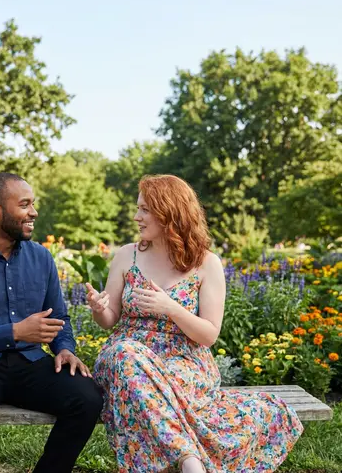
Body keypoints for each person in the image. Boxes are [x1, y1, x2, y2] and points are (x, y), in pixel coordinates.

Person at [87, 174, 303, 473]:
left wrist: (171, 308)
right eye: (138, 209)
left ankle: (184, 459)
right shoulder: (127, 255)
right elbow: (108, 320)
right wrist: (99, 309)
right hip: (126, 359)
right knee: (126, 354)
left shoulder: (206, 263)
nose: (137, 217)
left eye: (145, 210)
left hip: (185, 364)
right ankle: (190, 461)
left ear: (170, 212)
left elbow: (209, 334)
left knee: (146, 386)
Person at [0, 172, 103, 473]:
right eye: (24, 205)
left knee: (87, 397)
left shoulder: (42, 258)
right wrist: (14, 332)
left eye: (33, 204)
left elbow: (59, 317)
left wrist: (64, 349)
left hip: (31, 364)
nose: (34, 212)